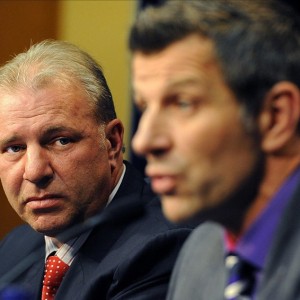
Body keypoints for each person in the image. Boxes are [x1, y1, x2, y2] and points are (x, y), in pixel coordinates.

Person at [129, 0, 300, 299]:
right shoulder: (200, 252)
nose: (143, 142)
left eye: (182, 103)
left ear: (275, 117)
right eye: (144, 106)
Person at [0, 39, 193, 300]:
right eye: (14, 148)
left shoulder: (162, 247)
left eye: (61, 141)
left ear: (112, 142)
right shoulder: (16, 248)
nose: (35, 172)